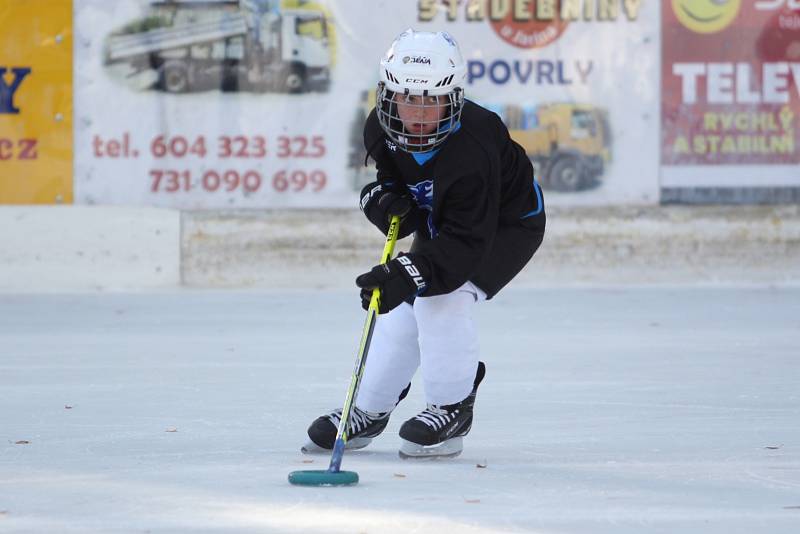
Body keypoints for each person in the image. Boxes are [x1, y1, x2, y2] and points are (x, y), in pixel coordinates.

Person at [303, 29, 545, 459]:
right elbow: (394, 183)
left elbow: (466, 241)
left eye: (431, 101)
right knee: (403, 306)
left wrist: (407, 272)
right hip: (449, 220)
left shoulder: (473, 146)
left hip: (504, 224)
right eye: (407, 98)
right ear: (387, 95)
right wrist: (385, 201)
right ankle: (368, 410)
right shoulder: (379, 127)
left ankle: (452, 406)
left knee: (441, 300)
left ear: (452, 99)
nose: (417, 113)